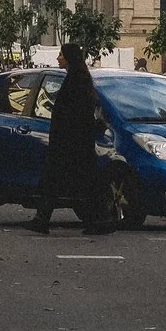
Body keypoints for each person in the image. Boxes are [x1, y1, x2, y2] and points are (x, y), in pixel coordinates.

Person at [28, 42, 115, 235]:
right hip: (75, 142)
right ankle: (99, 220)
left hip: (71, 142)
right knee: (80, 182)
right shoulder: (78, 79)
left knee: (62, 181)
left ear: (69, 58)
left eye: (61, 55)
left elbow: (74, 113)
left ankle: (44, 219)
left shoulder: (76, 81)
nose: (57, 58)